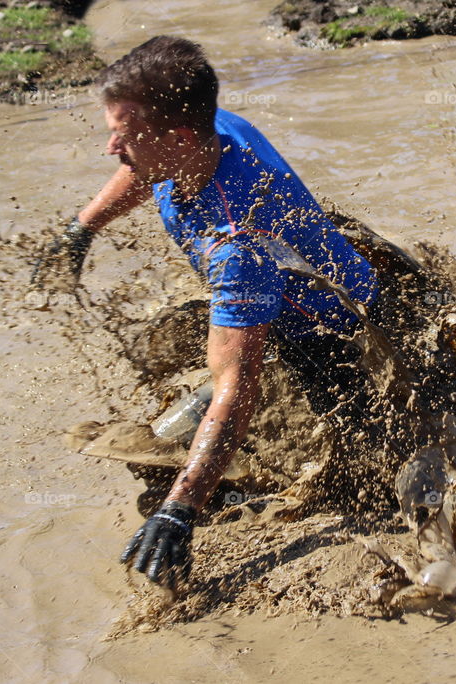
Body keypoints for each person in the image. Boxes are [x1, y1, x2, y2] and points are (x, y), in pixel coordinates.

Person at [32, 36, 379, 589]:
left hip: (341, 347)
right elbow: (142, 167)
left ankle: (223, 502)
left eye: (122, 133)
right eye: (110, 129)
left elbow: (237, 383)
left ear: (180, 137)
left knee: (169, 454)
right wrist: (83, 228)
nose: (111, 147)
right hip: (305, 295)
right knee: (168, 446)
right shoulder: (204, 134)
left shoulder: (237, 245)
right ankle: (223, 483)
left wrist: (181, 509)